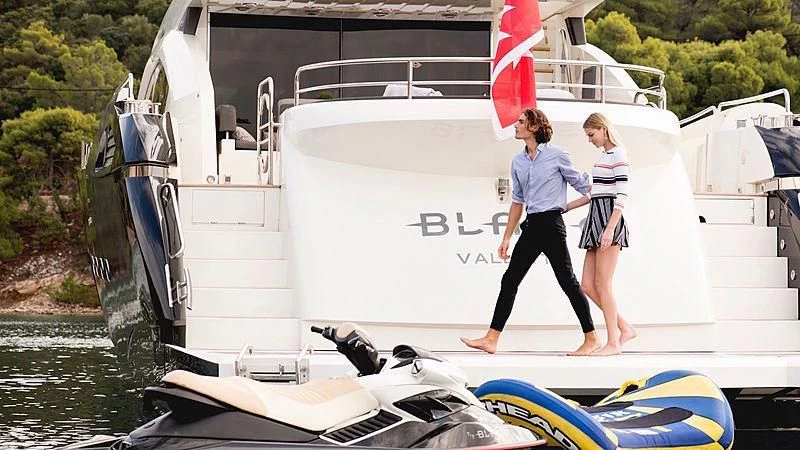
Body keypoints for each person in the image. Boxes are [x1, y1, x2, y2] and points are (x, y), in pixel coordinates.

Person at [461, 108, 599, 356]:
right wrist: (506, 237)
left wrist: (598, 191)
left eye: (521, 122)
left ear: (534, 127)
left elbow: (583, 186)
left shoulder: (558, 155)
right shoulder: (518, 161)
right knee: (510, 279)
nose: (516, 125)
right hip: (532, 225)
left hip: (552, 226)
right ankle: (492, 338)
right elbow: (517, 201)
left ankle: (591, 338)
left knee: (567, 282)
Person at [565, 112, 636, 356]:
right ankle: (625, 328)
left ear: (603, 129)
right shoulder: (604, 156)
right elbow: (593, 193)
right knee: (587, 284)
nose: (590, 140)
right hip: (596, 217)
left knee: (604, 285)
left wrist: (609, 229)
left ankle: (614, 343)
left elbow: (622, 195)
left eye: (591, 134)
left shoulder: (619, 154)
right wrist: (564, 207)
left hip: (609, 219)